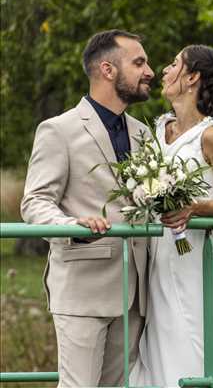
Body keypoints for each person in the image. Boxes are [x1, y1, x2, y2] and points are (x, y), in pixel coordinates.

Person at [21, 29, 154, 387]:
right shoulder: (58, 130)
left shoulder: (144, 134)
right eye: (139, 62)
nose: (150, 71)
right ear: (108, 70)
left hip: (136, 294)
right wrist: (71, 225)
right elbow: (34, 202)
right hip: (82, 288)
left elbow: (153, 200)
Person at [130, 44, 213, 386]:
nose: (163, 70)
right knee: (161, 348)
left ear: (192, 78)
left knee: (203, 342)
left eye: (173, 63)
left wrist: (198, 209)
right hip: (158, 258)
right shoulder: (160, 130)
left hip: (196, 261)